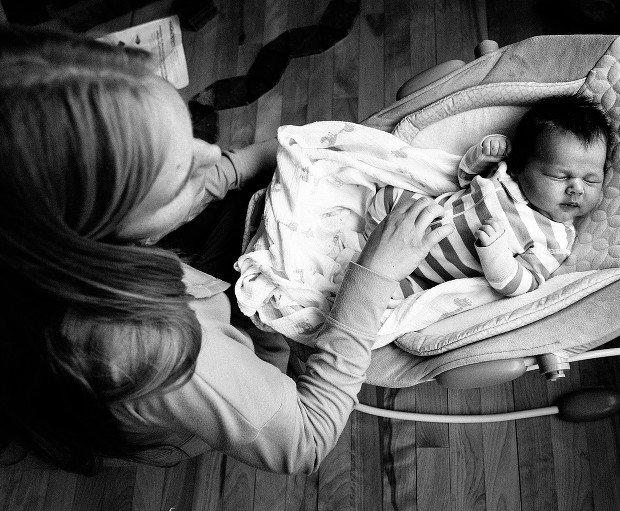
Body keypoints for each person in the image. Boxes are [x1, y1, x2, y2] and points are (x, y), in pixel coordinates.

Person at [0, 24, 453, 475]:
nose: (211, 153)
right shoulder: (160, 351)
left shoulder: (32, 233)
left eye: (188, 134)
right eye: (181, 177)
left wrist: (249, 164)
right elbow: (306, 443)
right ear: (97, 226)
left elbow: (196, 171)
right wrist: (373, 275)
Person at [365, 94, 610, 298]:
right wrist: (483, 155)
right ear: (520, 166)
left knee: (391, 297)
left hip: (427, 277)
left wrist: (496, 255)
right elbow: (463, 178)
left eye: (591, 180)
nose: (577, 189)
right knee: (389, 196)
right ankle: (366, 235)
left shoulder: (555, 241)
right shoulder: (504, 174)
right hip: (414, 219)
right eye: (559, 176)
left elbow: (525, 284)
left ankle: (365, 262)